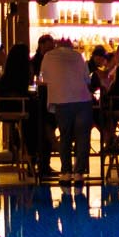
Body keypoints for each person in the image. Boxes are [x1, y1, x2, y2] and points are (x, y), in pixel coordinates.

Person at [41, 37, 95, 180]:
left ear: (57, 45)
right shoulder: (78, 56)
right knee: (82, 137)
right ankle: (79, 172)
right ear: (71, 46)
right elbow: (87, 79)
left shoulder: (48, 56)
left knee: (65, 136)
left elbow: (44, 78)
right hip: (83, 100)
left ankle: (66, 172)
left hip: (61, 100)